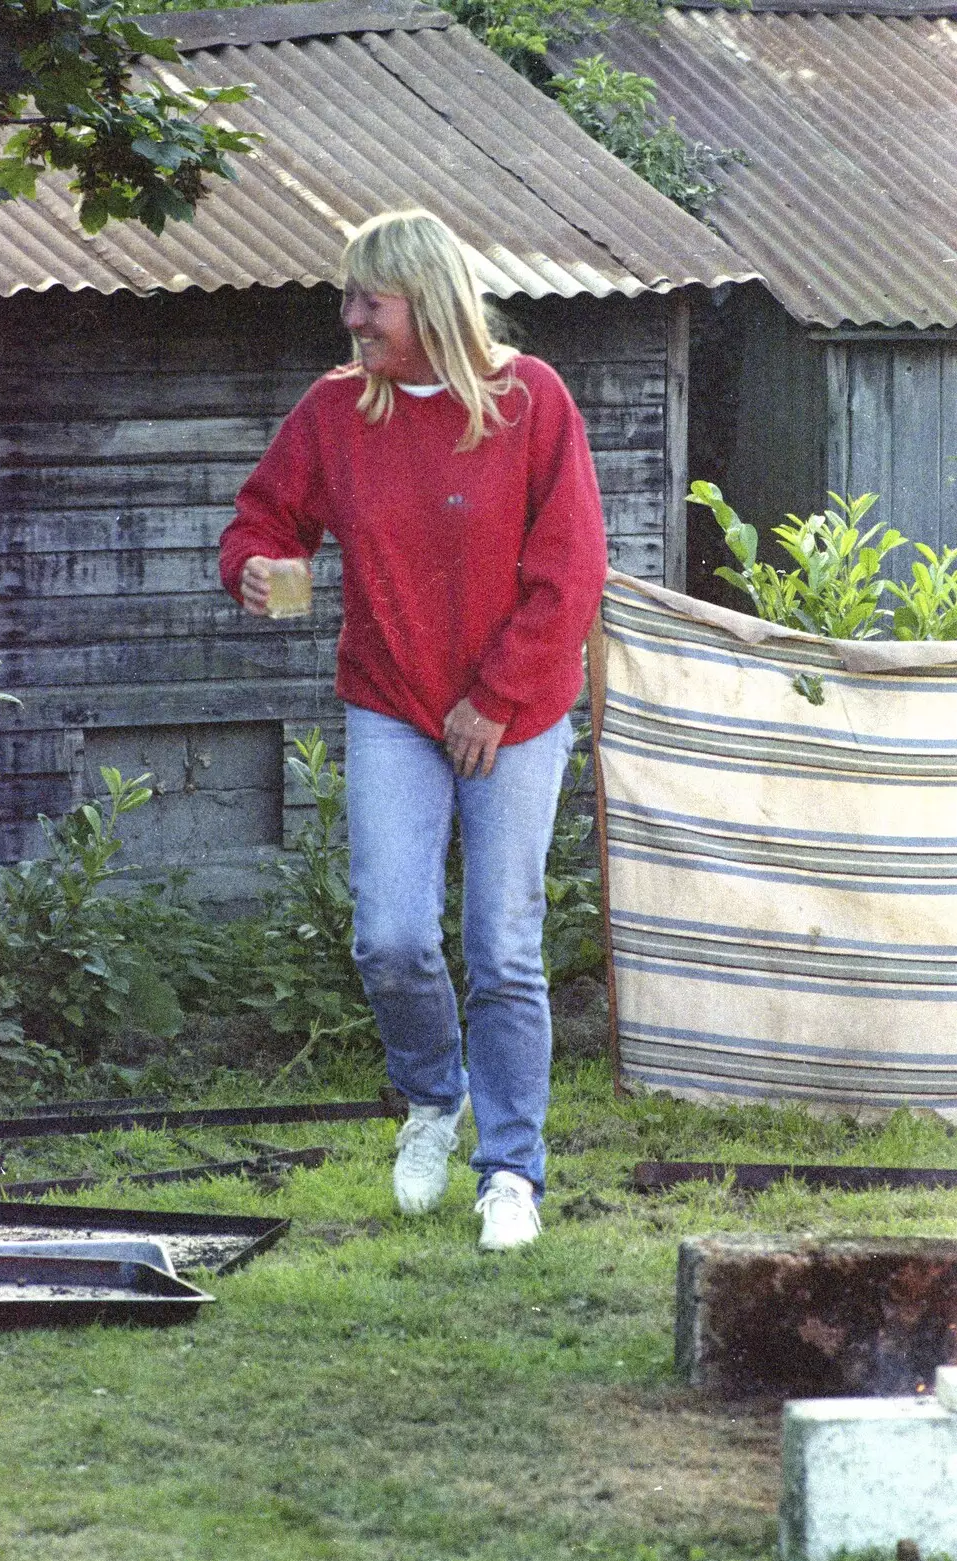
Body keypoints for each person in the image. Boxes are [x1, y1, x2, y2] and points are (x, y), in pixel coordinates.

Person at [220, 209, 607, 1250]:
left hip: (511, 714)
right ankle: (434, 1099)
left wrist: (496, 697)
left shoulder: (531, 401)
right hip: (391, 702)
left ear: (427, 303)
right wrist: (254, 570)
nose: (350, 320)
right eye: (347, 300)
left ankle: (511, 1173)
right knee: (390, 937)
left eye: (368, 302)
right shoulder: (336, 410)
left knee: (503, 949)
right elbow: (266, 521)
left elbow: (570, 572)